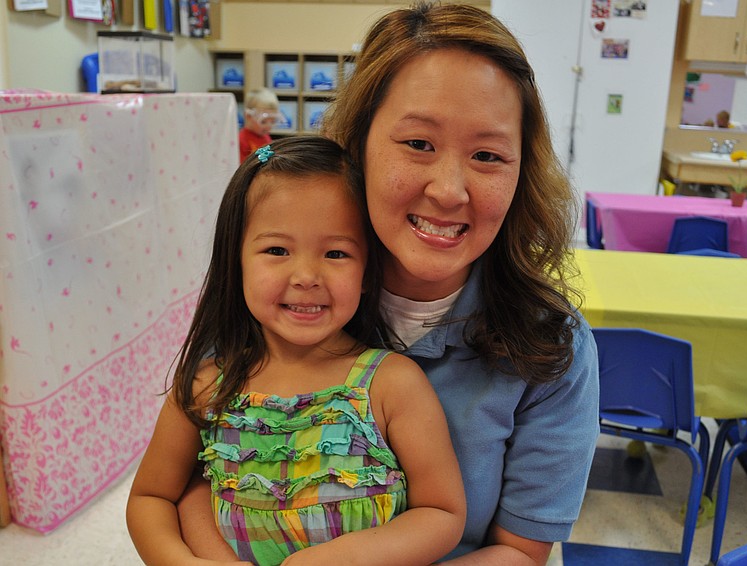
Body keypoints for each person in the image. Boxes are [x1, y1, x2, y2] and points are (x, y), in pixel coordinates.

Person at [177, 3, 600, 564]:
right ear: (358, 143)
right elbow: (194, 477)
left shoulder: (551, 348)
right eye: (418, 144)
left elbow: (520, 553)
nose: (450, 190)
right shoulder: (282, 299)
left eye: (488, 155)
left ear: (522, 172)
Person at [126, 136, 466, 566]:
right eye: (277, 250)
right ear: (237, 262)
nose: (306, 275)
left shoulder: (392, 383)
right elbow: (150, 497)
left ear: (366, 271)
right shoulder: (205, 385)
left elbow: (442, 512)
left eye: (336, 253)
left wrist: (352, 557)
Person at [238, 88, 280, 162]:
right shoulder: (241, 140)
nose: (269, 126)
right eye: (263, 122)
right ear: (248, 116)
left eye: (273, 121)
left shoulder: (266, 138)